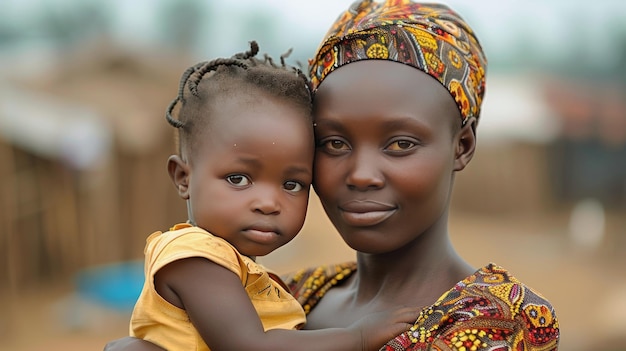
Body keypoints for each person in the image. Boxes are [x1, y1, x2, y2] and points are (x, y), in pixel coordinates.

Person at [106, 1, 560, 350]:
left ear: (462, 145)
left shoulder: (498, 319)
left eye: (400, 144)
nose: (361, 175)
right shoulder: (296, 293)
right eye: (335, 144)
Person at [124, 40, 418, 351]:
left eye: (292, 184)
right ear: (184, 178)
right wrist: (356, 337)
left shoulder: (245, 271)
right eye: (238, 179)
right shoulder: (195, 257)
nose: (268, 203)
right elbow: (252, 346)